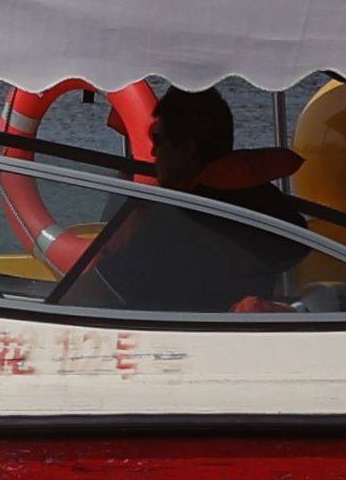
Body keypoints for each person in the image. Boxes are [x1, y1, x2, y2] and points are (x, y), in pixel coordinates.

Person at [51, 87, 310, 314]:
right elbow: (296, 249)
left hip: (174, 339)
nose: (152, 151)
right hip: (227, 334)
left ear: (186, 149)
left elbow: (91, 293)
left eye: (158, 139)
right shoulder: (265, 203)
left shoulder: (170, 219)